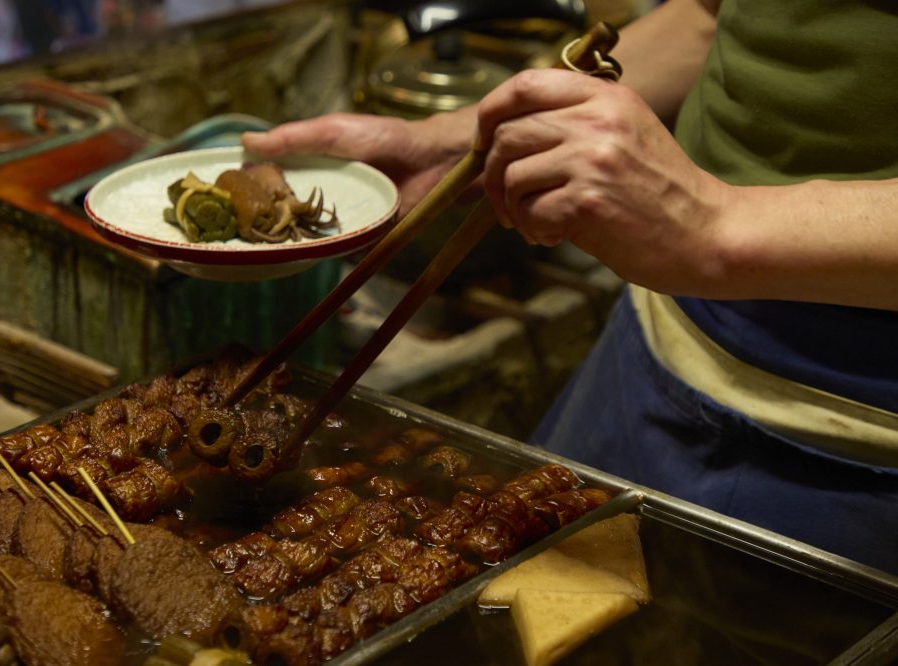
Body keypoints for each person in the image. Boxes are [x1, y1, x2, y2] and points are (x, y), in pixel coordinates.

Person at [242, 0, 898, 574]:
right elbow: (711, 15)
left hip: (857, 437)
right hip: (659, 348)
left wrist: (716, 225)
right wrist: (460, 143)